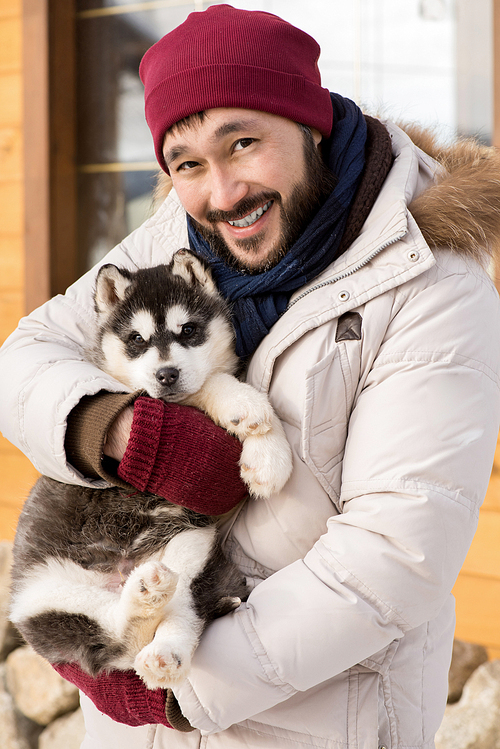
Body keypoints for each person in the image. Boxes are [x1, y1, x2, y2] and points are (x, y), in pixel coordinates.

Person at [2, 4, 500, 748]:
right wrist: (119, 428)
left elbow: (394, 557)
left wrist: (179, 695)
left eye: (244, 143)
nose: (225, 190)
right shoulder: (184, 229)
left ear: (310, 127)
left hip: (308, 724)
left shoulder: (431, 285)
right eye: (189, 163)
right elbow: (27, 354)